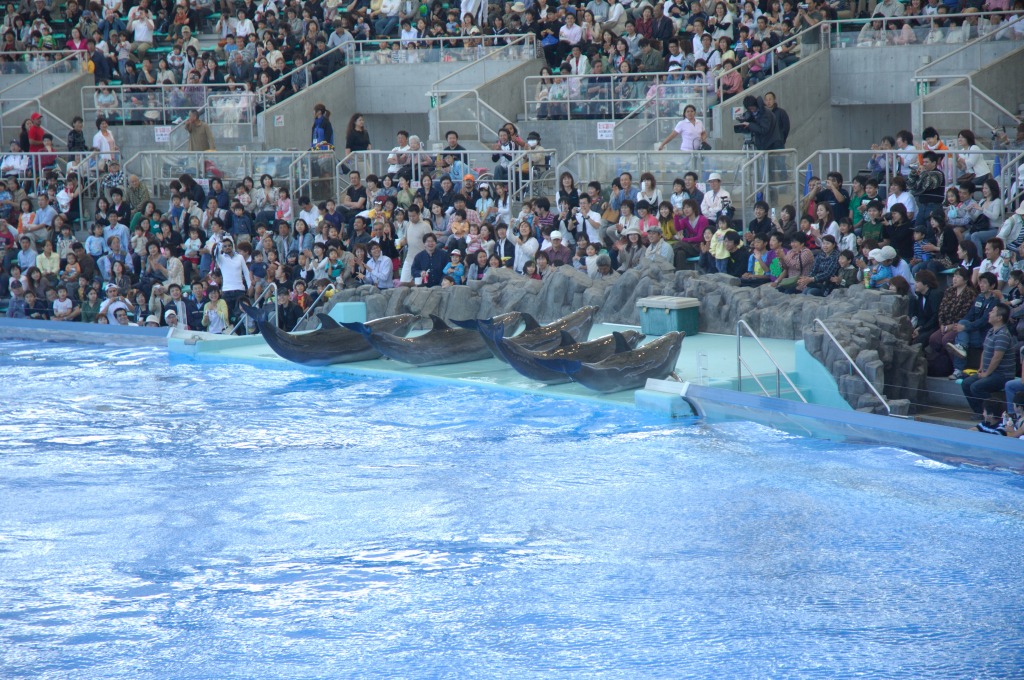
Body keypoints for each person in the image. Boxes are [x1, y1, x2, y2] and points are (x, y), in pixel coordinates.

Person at [961, 303, 1016, 420]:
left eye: (993, 311)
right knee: (966, 383)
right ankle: (981, 412)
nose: (989, 313)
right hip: (989, 372)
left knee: (976, 387)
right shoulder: (991, 331)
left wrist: (986, 374)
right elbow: (985, 351)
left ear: (999, 318)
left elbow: (997, 357)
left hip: (1002, 375)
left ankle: (996, 411)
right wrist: (981, 368)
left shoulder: (1003, 335)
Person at [947, 272, 1001, 381]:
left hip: (985, 335)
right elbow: (969, 315)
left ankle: (958, 370)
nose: (981, 285)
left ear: (992, 285)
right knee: (962, 327)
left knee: (962, 333)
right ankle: (961, 349)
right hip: (974, 332)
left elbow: (984, 321)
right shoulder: (979, 298)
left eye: (984, 283)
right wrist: (962, 325)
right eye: (980, 282)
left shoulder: (995, 301)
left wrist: (965, 327)